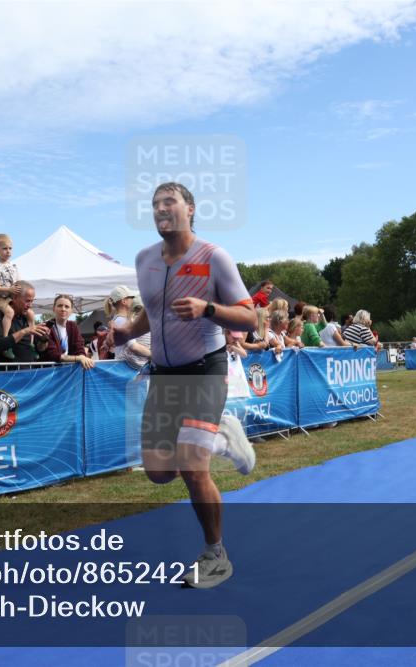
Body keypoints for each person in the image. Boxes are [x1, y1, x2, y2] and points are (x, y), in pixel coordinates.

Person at [112, 182, 257, 589]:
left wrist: (207, 308)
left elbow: (250, 321)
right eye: (155, 204)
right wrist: (126, 333)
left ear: (190, 209)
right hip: (163, 376)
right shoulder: (144, 260)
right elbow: (152, 314)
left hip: (205, 371)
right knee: (159, 473)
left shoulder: (214, 258)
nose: (161, 208)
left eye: (169, 201)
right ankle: (221, 435)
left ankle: (215, 553)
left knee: (194, 469)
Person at [0, 280, 50, 367]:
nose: (30, 305)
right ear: (15, 298)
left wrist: (44, 340)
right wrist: (24, 332)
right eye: (27, 301)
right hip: (8, 376)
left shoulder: (27, 317)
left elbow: (39, 349)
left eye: (32, 301)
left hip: (29, 374)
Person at [42, 294, 95, 369]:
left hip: (70, 372)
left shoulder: (73, 326)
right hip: (50, 372)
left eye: (67, 306)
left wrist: (82, 357)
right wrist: (79, 358)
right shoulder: (47, 327)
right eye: (60, 306)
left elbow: (79, 347)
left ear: (71, 311)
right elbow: (53, 355)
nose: (63, 309)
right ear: (54, 308)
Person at [0, 233, 20, 335]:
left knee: (29, 313)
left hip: (12, 298)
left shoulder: (14, 267)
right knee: (10, 312)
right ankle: (5, 338)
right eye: (4, 248)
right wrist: (8, 290)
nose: (8, 251)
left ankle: (31, 341)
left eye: (10, 248)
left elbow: (18, 283)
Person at [103, 285, 138, 358]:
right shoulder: (122, 320)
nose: (133, 300)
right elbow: (133, 346)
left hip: (125, 365)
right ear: (124, 301)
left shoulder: (119, 319)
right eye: (131, 297)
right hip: (127, 366)